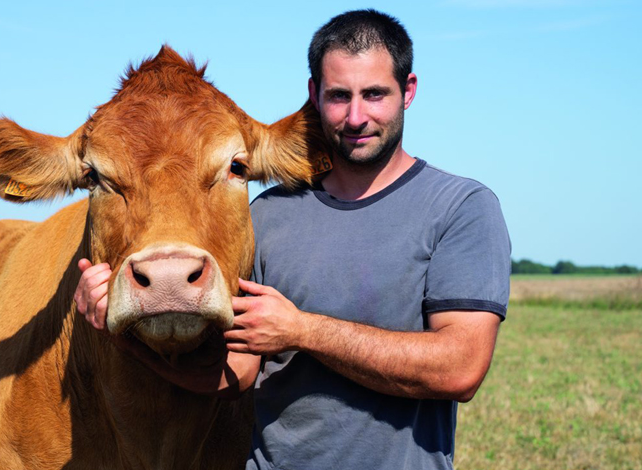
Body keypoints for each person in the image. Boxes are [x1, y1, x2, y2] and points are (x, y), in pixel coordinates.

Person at [75, 9, 510, 469]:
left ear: (409, 91)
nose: (356, 117)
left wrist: (302, 330)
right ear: (313, 95)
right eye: (339, 96)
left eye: (375, 94)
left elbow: (461, 369)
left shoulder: (460, 207)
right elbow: (237, 373)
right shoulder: (265, 216)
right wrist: (120, 334)